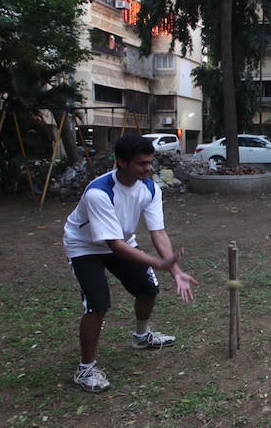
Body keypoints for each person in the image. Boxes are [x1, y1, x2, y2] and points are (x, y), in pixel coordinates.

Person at [63, 134, 199, 393]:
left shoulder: (150, 188)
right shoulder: (99, 193)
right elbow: (115, 246)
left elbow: (157, 232)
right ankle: (86, 368)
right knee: (97, 304)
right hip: (85, 246)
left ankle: (141, 337)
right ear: (121, 162)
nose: (148, 168)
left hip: (121, 240)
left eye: (150, 162)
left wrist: (174, 268)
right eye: (141, 163)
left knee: (148, 289)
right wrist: (159, 263)